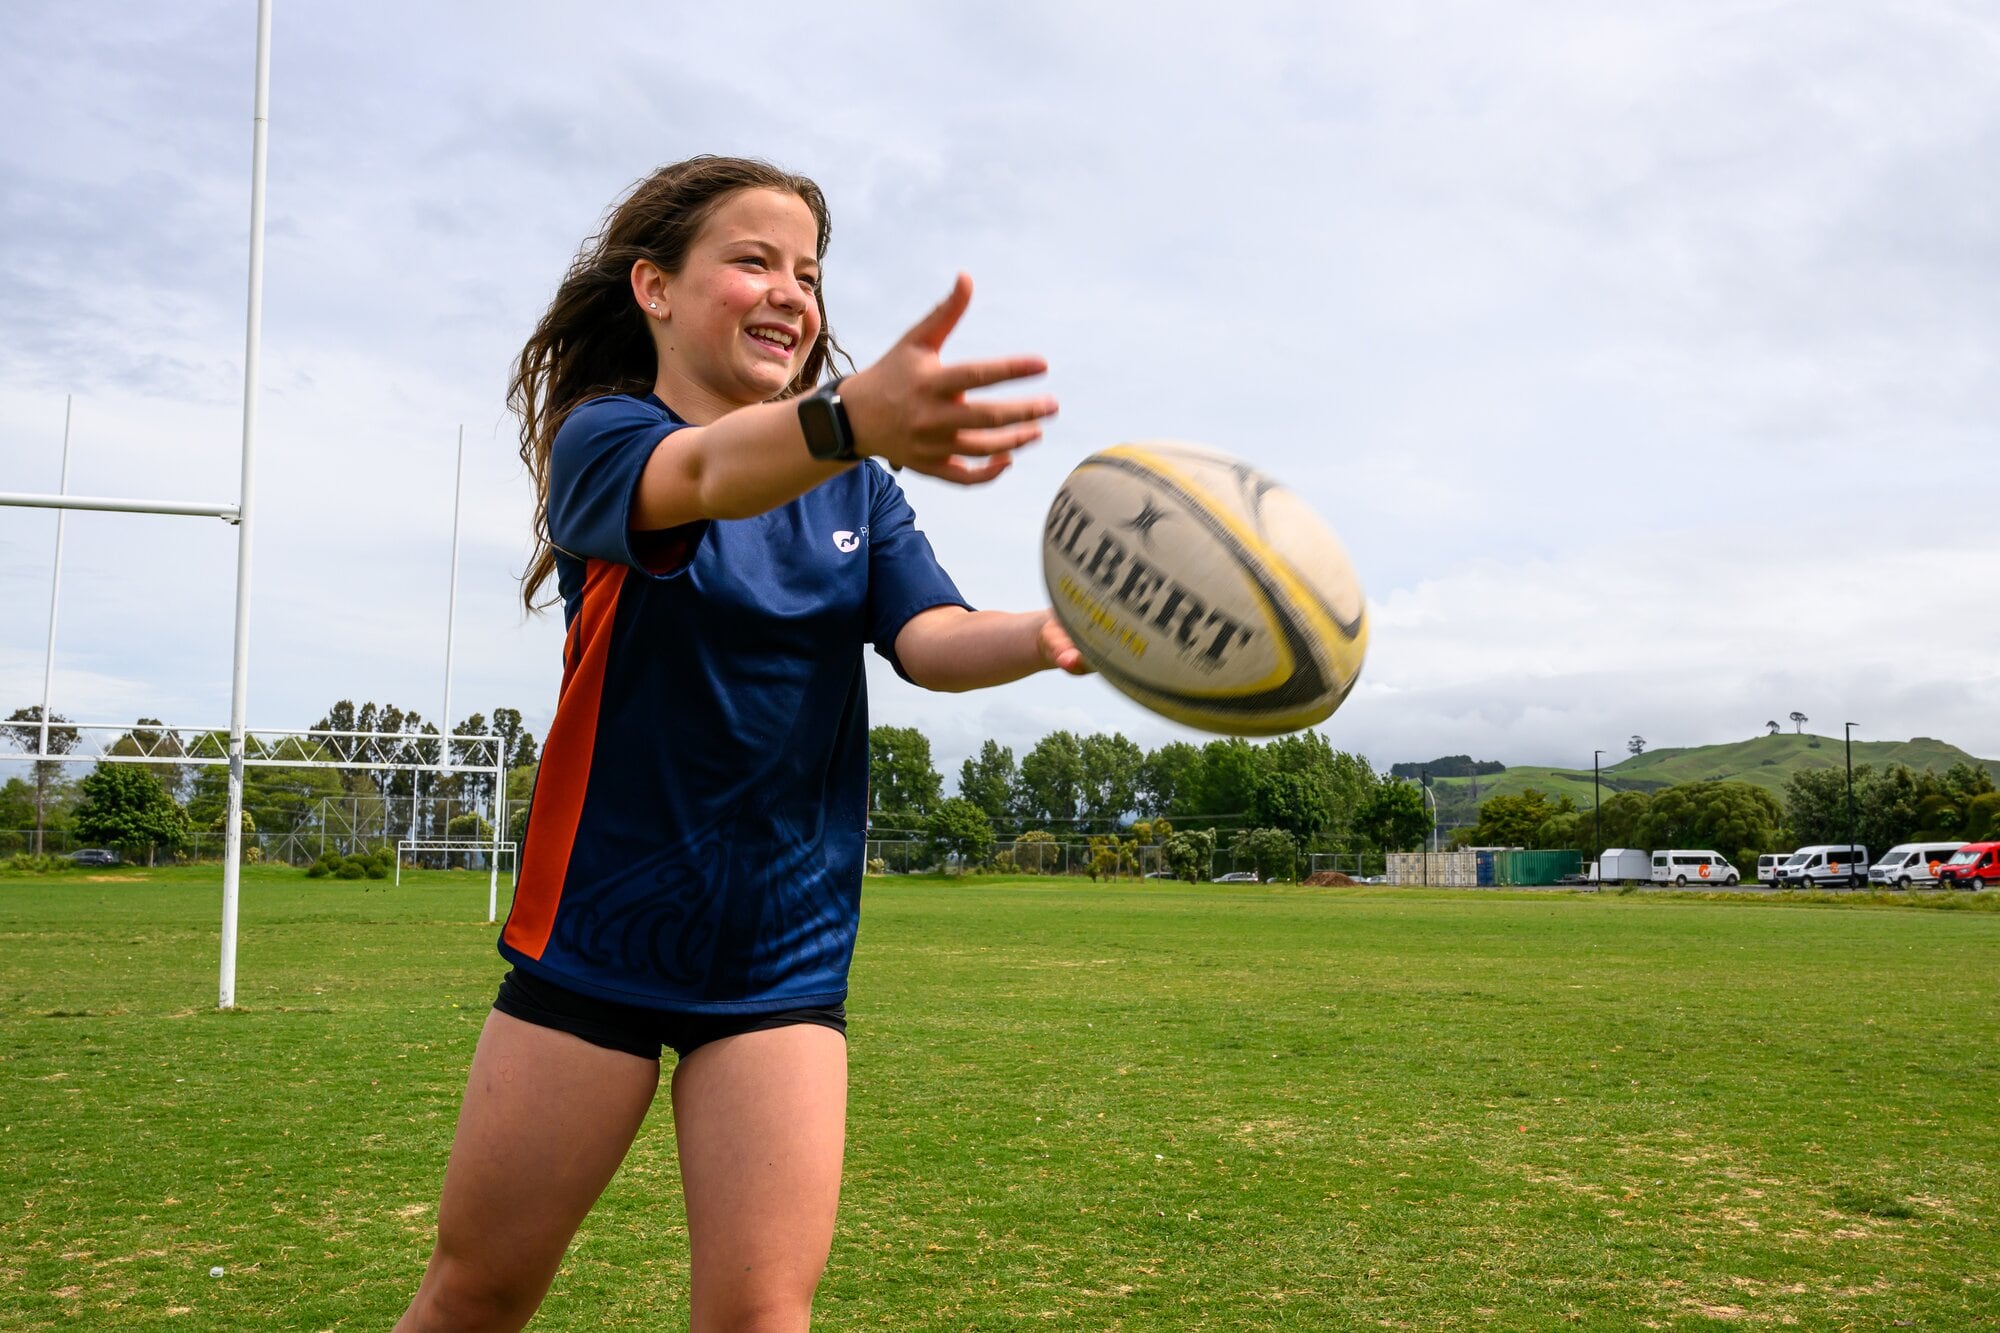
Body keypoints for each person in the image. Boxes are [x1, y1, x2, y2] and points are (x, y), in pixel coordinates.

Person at [395, 155, 1082, 1332]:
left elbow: (931, 638)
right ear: (654, 289)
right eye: (753, 261)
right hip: (596, 945)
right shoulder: (606, 439)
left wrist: (1067, 631)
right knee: (477, 1296)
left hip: (780, 960)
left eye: (807, 273)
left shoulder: (854, 491)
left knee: (762, 1318)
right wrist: (845, 419)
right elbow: (708, 472)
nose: (790, 295)